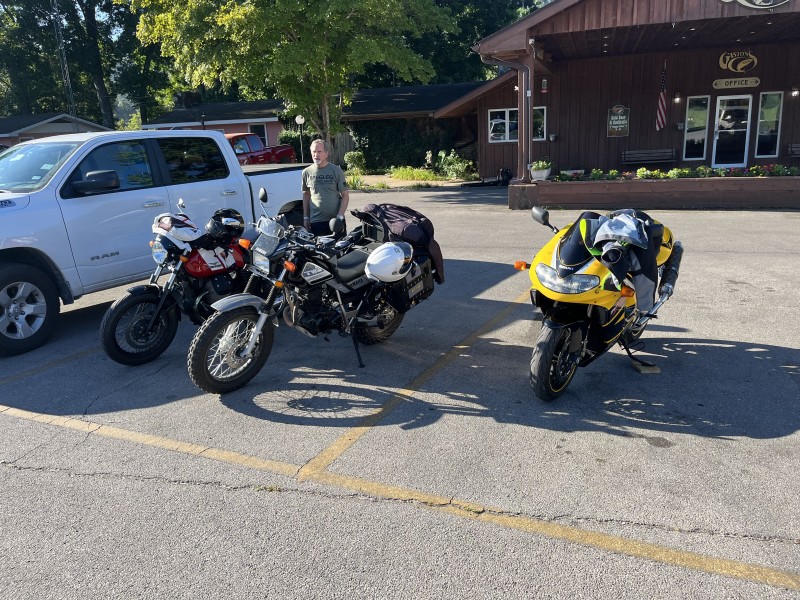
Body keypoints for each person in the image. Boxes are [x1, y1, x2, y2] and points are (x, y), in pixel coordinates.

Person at [301, 139, 349, 237]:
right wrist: (306, 217)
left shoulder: (336, 171)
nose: (316, 155)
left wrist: (340, 216)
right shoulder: (306, 172)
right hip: (316, 222)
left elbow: (345, 195)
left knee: (341, 250)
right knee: (319, 251)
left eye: (319, 152)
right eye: (314, 152)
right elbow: (306, 195)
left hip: (336, 221)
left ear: (326, 153)